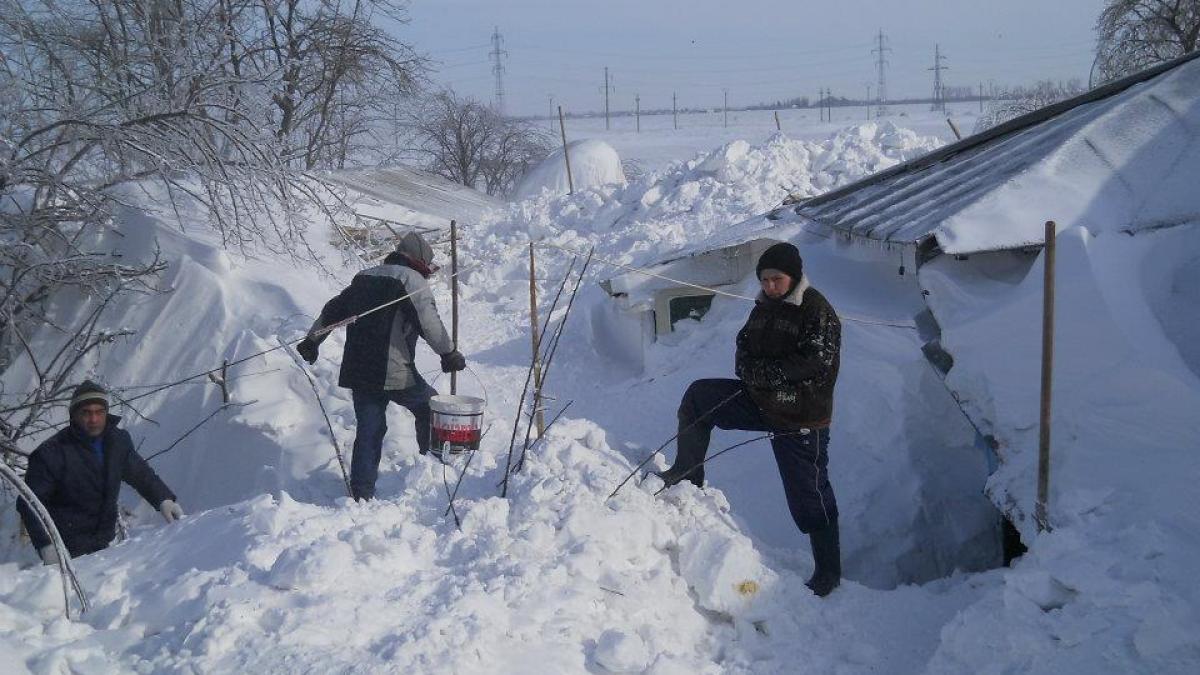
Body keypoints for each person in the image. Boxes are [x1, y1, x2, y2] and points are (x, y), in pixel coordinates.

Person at [656, 242, 843, 596]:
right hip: (761, 401)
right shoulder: (763, 307)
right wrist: (754, 371)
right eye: (765, 279)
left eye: (777, 279)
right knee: (700, 398)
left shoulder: (816, 310)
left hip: (800, 416)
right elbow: (743, 348)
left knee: (809, 495)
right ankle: (686, 476)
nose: (770, 286)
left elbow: (814, 362)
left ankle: (828, 573)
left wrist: (767, 373)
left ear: (794, 276)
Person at [297, 231, 466, 500]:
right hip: (392, 370)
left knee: (369, 430)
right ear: (420, 261)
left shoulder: (365, 276)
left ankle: (361, 493)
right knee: (430, 408)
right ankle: (430, 472)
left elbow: (333, 311)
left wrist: (312, 341)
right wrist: (448, 353)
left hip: (358, 370)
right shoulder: (412, 280)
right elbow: (428, 322)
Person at [17, 381, 183, 563]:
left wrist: (163, 499)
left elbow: (141, 474)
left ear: (106, 413)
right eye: (86, 413)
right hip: (67, 552)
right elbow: (29, 503)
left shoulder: (117, 442)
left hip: (105, 544)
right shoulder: (51, 453)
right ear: (74, 415)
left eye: (99, 412)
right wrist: (47, 545)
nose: (94, 419)